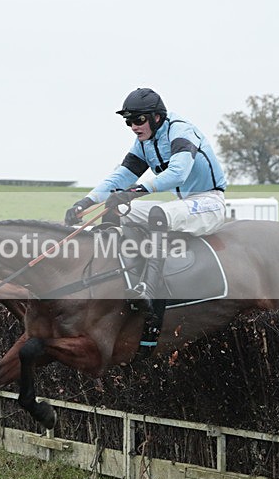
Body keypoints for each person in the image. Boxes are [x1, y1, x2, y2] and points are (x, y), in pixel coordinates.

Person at [63, 88, 227, 337]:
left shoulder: (182, 131)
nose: (133, 126)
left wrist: (135, 191)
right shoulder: (145, 142)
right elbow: (121, 176)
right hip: (183, 204)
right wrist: (86, 202)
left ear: (156, 117)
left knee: (157, 214)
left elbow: (177, 174)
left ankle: (149, 292)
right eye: (128, 121)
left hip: (209, 202)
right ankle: (110, 278)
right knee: (115, 208)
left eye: (138, 120)